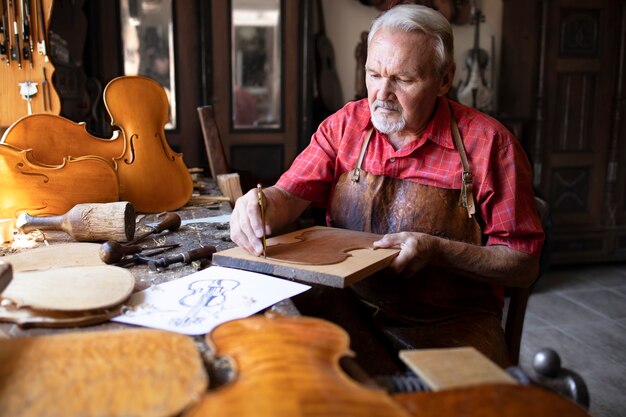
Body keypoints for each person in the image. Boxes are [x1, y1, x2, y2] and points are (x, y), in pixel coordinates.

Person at [230, 4, 544, 375]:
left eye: (404, 79)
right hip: (349, 306)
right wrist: (259, 205)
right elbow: (288, 196)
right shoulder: (344, 126)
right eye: (374, 74)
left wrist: (438, 250)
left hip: (452, 323)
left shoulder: (491, 146)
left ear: (445, 80)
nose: (382, 93)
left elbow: (522, 265)